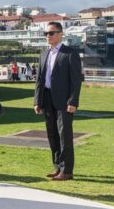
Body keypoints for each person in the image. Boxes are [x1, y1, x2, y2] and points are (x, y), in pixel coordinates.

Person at [34, 21, 83, 181]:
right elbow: (39, 79)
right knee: (52, 134)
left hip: (64, 101)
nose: (48, 36)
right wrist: (37, 101)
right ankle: (57, 167)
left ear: (60, 34)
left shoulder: (70, 53)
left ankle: (66, 170)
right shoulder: (43, 54)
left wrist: (73, 101)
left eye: (51, 33)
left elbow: (76, 81)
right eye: (46, 34)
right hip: (47, 99)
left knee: (64, 135)